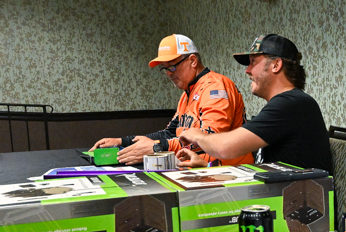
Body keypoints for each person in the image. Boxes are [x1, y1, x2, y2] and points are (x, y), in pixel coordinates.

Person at [176, 34, 334, 174]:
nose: (247, 70)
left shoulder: (292, 104)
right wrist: (207, 165)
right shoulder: (286, 104)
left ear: (276, 65)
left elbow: (225, 148)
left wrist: (198, 136)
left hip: (300, 198)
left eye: (253, 62)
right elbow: (262, 168)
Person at [91, 34, 253, 167]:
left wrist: (157, 147)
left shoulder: (215, 87)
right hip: (197, 170)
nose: (168, 73)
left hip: (228, 171)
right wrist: (122, 141)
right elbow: (169, 133)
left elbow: (211, 139)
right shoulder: (187, 93)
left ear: (192, 61)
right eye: (164, 68)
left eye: (172, 66)